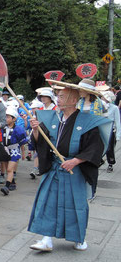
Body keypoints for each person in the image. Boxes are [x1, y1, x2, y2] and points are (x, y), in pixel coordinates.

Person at [28, 83, 111, 252]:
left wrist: (76, 160)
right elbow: (41, 143)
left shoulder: (87, 121)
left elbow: (95, 147)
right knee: (48, 202)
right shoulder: (52, 118)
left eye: (61, 97)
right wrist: (36, 130)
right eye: (57, 96)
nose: (57, 100)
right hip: (55, 168)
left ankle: (79, 238)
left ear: (73, 100)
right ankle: (46, 239)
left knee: (76, 204)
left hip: (75, 170)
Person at [0, 107, 28, 195]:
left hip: (14, 150)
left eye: (8, 117)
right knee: (6, 166)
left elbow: (22, 141)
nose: (6, 119)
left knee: (9, 169)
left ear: (14, 119)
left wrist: (23, 152)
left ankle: (6, 186)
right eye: (5, 117)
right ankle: (12, 182)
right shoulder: (2, 128)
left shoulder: (18, 129)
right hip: (4, 150)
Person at [102, 90, 121, 173]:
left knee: (109, 148)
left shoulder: (114, 108)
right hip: (100, 129)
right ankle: (99, 160)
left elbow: (117, 121)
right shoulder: (99, 106)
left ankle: (110, 163)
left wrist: (118, 135)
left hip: (110, 130)